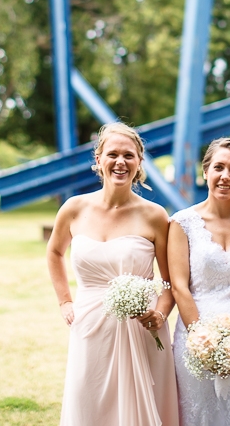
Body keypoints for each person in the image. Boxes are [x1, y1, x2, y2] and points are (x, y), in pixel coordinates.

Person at [47, 122, 179, 426]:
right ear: (98, 160)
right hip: (90, 326)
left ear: (139, 163)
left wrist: (160, 313)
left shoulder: (155, 215)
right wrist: (65, 301)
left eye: (129, 156)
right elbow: (54, 252)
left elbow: (170, 281)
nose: (120, 162)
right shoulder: (73, 208)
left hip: (142, 330)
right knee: (89, 402)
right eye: (113, 154)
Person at [168, 138, 230, 426]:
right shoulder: (182, 224)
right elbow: (179, 287)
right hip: (194, 334)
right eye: (219, 167)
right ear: (205, 172)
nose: (225, 176)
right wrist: (201, 339)